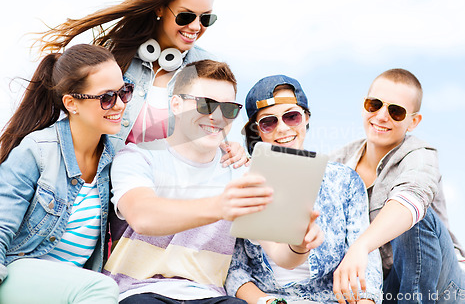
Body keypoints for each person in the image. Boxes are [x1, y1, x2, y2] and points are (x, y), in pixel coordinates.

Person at [103, 60, 321, 303]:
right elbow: (143, 217)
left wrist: (300, 245)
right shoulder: (139, 157)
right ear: (176, 104)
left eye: (228, 109)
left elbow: (282, 256)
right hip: (138, 292)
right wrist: (220, 205)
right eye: (206, 105)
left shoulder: (240, 172)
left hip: (209, 296)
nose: (217, 117)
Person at [37, 0, 246, 167]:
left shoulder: (205, 68)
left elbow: (212, 124)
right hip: (104, 183)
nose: (195, 26)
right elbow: (77, 113)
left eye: (205, 19)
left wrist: (229, 146)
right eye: (185, 16)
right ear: (160, 9)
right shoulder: (112, 57)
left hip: (166, 189)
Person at [225, 75, 382, 304]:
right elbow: (234, 268)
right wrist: (266, 302)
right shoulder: (244, 181)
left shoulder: (344, 182)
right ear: (257, 130)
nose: (282, 129)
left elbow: (366, 262)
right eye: (269, 122)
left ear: (306, 118)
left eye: (292, 116)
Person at [0, 44, 133, 303]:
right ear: (71, 103)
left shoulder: (113, 160)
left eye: (124, 92)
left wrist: (223, 149)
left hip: (70, 289)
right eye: (106, 97)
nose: (119, 105)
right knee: (103, 289)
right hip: (17, 276)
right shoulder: (37, 151)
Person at [330, 69, 465, 304]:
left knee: (412, 217)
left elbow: (412, 198)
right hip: (386, 284)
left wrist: (361, 246)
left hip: (442, 286)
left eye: (396, 111)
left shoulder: (421, 156)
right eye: (374, 104)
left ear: (413, 121)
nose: (381, 116)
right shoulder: (337, 162)